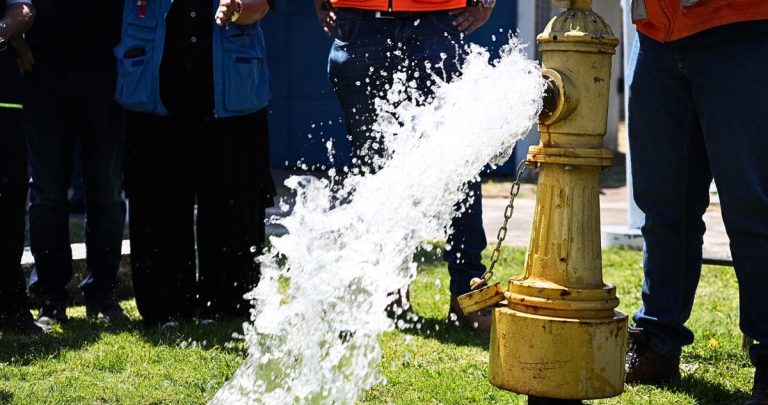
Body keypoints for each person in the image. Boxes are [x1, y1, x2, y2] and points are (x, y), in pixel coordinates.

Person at [314, 0, 495, 331]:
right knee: (374, 173)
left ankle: (468, 293)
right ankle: (389, 288)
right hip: (358, 25)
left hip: (436, 23)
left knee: (459, 162)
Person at [625, 1, 768, 403]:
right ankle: (658, 340)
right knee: (663, 207)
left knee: (754, 210)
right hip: (656, 35)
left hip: (744, 29)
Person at [118, 0, 275, 329]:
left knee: (231, 197)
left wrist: (236, 8)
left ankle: (226, 302)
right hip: (156, 85)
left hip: (230, 85)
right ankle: (166, 306)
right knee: (157, 196)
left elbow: (261, 5)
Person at [22, 0, 128, 326]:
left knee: (106, 189)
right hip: (42, 68)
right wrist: (17, 41)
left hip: (104, 67)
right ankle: (51, 297)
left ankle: (102, 294)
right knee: (48, 191)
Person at [0, 0, 41, 335]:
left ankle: (11, 306)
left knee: (9, 210)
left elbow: (22, 11)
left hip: (5, 101)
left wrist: (6, 34)